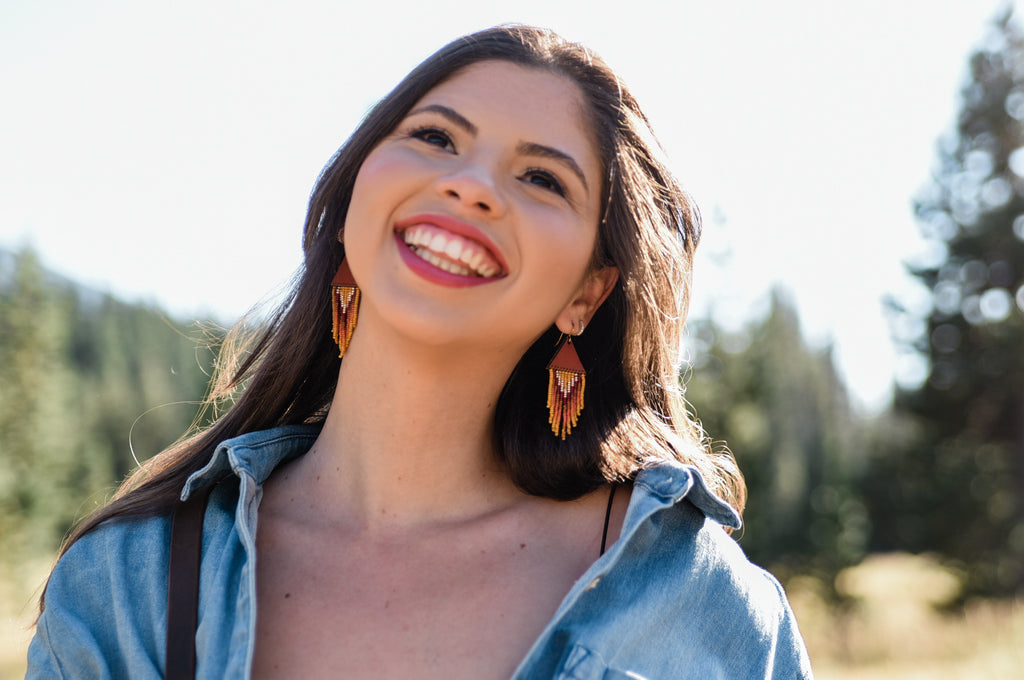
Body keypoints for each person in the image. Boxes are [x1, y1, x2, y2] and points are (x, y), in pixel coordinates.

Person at [27, 25, 813, 679]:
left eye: (542, 179)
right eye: (435, 137)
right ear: (353, 200)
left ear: (588, 294)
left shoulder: (698, 604)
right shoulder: (130, 583)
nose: (472, 186)